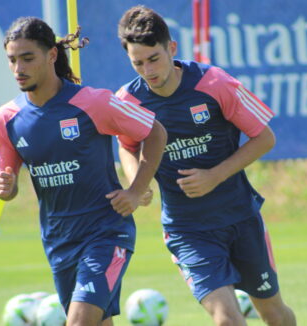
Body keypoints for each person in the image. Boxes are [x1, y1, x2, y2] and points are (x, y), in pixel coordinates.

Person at [116, 6, 296, 326]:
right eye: (138, 63)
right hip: (187, 230)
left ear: (172, 48)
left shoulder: (215, 83)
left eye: (154, 58)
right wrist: (137, 184)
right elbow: (127, 146)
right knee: (227, 319)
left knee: (274, 314)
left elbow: (265, 138)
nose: (148, 70)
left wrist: (214, 176)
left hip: (241, 218)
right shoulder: (129, 101)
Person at [0, 17, 166, 326]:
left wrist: (136, 190)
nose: (19, 68)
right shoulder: (7, 118)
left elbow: (156, 132)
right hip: (58, 241)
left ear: (51, 55)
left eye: (27, 58)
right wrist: (5, 187)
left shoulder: (92, 102)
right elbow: (9, 184)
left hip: (106, 234)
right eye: (12, 60)